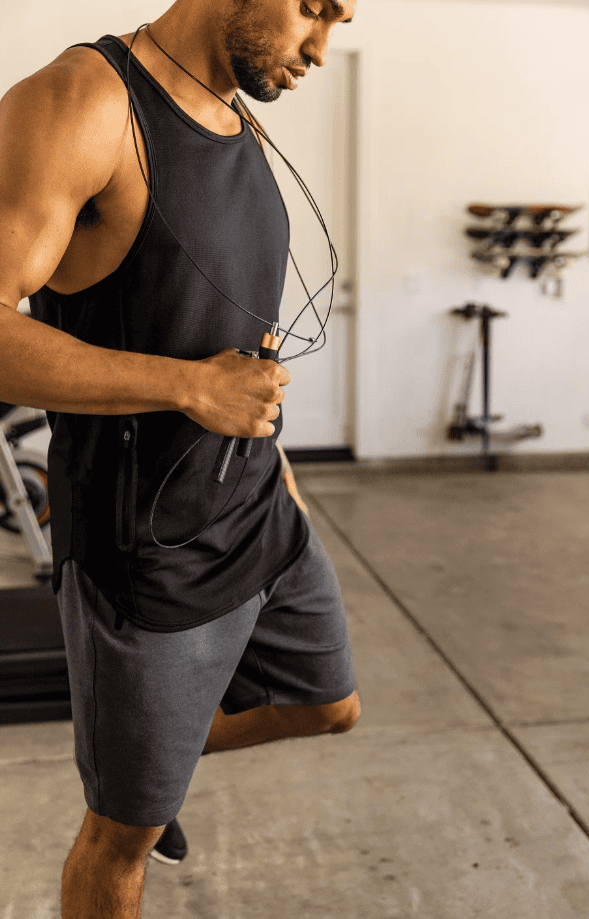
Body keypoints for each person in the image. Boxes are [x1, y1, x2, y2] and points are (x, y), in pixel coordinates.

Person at [0, 0, 359, 915]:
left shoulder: (239, 118)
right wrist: (189, 388)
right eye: (314, 10)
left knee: (327, 704)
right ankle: (136, 783)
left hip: (261, 510)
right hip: (144, 552)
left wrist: (283, 479)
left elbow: (239, 339)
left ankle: (150, 757)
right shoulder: (84, 103)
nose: (321, 49)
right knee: (118, 843)